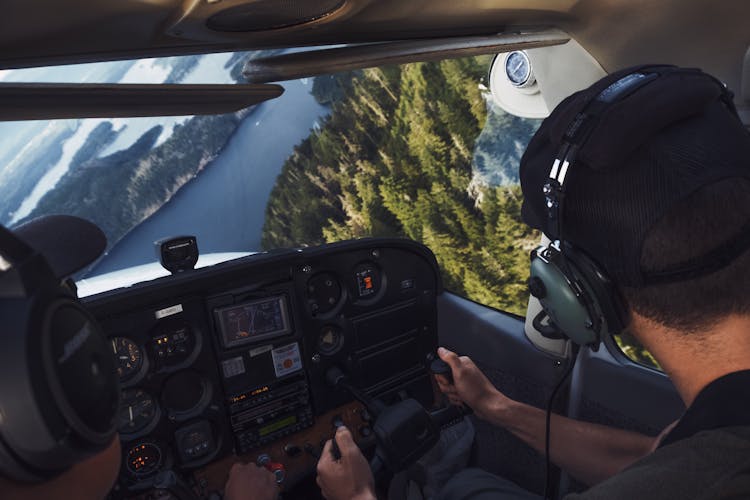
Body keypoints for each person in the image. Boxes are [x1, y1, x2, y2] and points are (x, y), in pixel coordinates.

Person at [316, 65, 750, 499]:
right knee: (467, 486)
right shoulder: (716, 432)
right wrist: (493, 406)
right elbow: (659, 459)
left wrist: (357, 496)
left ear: (581, 294)